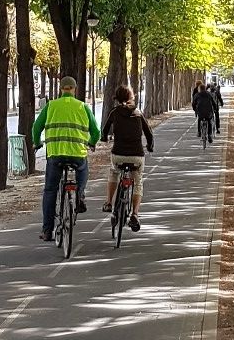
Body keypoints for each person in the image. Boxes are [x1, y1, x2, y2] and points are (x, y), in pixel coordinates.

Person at [31, 75, 100, 241]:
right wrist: (91, 143)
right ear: (74, 89)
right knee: (83, 168)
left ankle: (47, 230)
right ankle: (80, 194)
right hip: (77, 154)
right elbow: (96, 132)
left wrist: (37, 143)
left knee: (50, 190)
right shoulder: (83, 107)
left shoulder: (51, 106)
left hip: (55, 155)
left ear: (61, 89)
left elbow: (36, 127)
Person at [99, 83, 154, 231]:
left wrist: (104, 138)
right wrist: (150, 146)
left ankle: (109, 202)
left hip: (118, 155)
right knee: (138, 181)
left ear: (117, 98)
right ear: (131, 97)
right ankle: (135, 213)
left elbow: (104, 129)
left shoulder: (115, 112)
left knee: (114, 172)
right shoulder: (138, 113)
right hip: (136, 155)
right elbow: (149, 133)